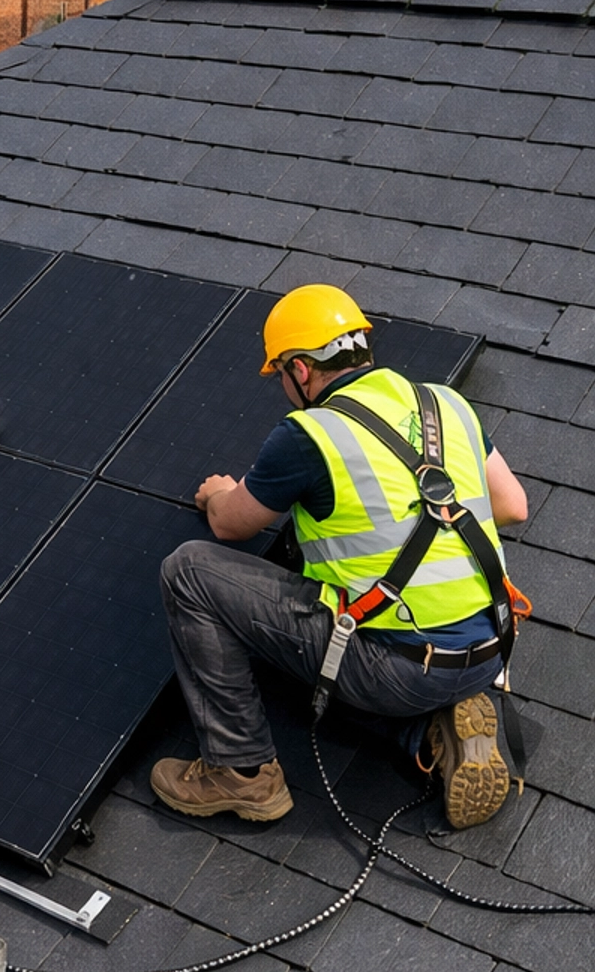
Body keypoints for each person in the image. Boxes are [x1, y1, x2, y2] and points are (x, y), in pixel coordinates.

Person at [151, 284, 529, 831]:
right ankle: (431, 733)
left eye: (281, 375)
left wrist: (217, 494)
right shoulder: (444, 403)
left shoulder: (308, 435)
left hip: (400, 670)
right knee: (322, 644)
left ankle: (241, 772)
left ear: (301, 370)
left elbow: (230, 525)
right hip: (491, 648)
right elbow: (512, 506)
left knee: (189, 573)